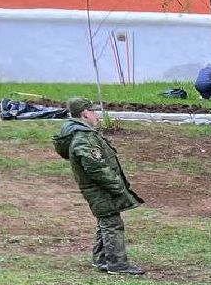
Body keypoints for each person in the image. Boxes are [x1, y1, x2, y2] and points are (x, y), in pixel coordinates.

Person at [53, 98, 145, 275]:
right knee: (112, 222)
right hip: (99, 188)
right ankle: (117, 265)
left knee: (106, 219)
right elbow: (96, 167)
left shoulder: (81, 134)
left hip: (96, 188)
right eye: (93, 111)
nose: (96, 115)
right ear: (85, 113)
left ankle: (101, 259)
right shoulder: (83, 137)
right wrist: (117, 186)